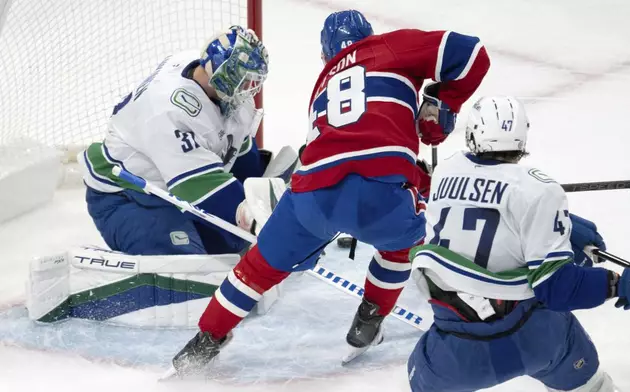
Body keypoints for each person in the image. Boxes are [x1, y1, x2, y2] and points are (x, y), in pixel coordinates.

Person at [169, 10, 490, 375]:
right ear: (369, 35)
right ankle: (370, 316)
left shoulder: (323, 83)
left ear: (325, 56)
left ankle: (203, 343)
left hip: (313, 192)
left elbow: (333, 152)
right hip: (380, 193)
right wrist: (443, 102)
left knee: (257, 266)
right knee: (403, 244)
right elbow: (473, 54)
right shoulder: (392, 45)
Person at [407, 96, 630, 392]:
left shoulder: (444, 173)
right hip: (536, 340)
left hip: (454, 357)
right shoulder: (540, 190)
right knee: (590, 384)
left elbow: (485, 211)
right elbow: (557, 288)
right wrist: (619, 284)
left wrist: (561, 226)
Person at [79, 26, 289, 257]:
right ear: (222, 76)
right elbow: (199, 186)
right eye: (244, 81)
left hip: (172, 184)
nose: (250, 90)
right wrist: (262, 224)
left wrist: (259, 199)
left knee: (231, 245)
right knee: (187, 271)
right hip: (126, 194)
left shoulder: (218, 84)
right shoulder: (168, 112)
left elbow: (239, 150)